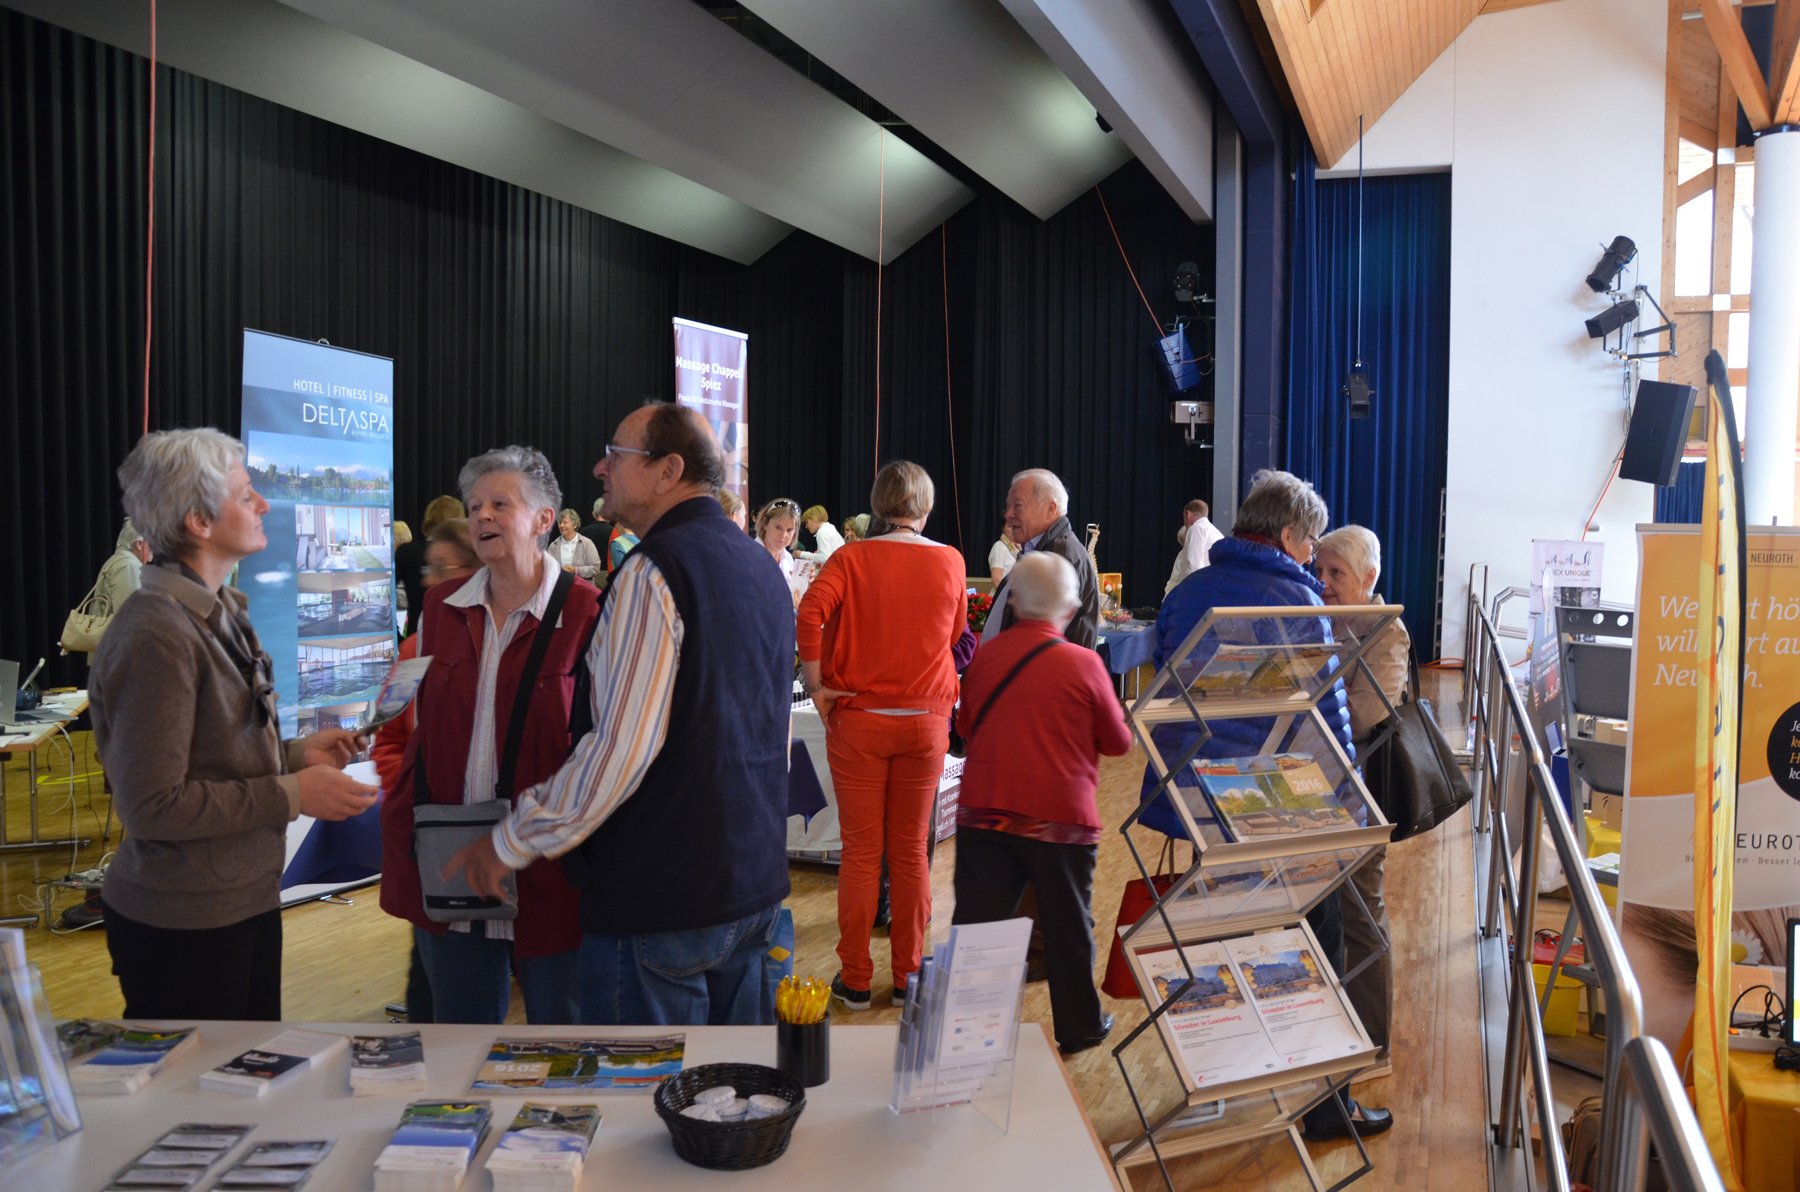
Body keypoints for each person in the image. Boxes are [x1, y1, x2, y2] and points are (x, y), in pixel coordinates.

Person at [442, 402, 794, 1027]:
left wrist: (509, 842)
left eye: (617, 455)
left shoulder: (655, 573)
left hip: (663, 900)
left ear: (668, 471)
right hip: (753, 888)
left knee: (643, 1088)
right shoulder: (758, 567)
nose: (600, 468)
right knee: (733, 1084)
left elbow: (620, 751)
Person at [90, 428, 376, 1020]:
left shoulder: (216, 609)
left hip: (238, 902)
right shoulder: (156, 635)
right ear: (198, 521)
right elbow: (152, 806)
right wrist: (294, 792)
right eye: (247, 495)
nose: (264, 505)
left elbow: (212, 754)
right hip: (184, 922)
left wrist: (295, 755)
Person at [1145, 468, 1392, 1139]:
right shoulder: (1297, 596)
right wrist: (1349, 809)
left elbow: (1168, 693)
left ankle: (1221, 1070)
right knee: (1319, 940)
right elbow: (1328, 720)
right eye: (1309, 543)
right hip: (1272, 804)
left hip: (1193, 799)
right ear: (1286, 535)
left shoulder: (1187, 593)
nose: (1312, 557)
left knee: (1219, 932)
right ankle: (1326, 1106)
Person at [380, 447, 601, 1025]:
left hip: (550, 868)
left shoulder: (588, 613)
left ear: (544, 519)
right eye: (475, 504)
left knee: (562, 1039)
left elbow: (600, 748)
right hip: (451, 858)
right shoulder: (440, 607)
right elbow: (421, 726)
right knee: (459, 1040)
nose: (482, 515)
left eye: (500, 504)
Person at [796, 461, 966, 1011]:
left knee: (862, 854)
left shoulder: (850, 558)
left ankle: (855, 979)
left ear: (877, 505)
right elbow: (956, 634)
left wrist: (816, 685)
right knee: (912, 853)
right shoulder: (950, 560)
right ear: (925, 508)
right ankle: (909, 977)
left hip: (860, 720)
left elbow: (810, 614)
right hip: (925, 721)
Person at [953, 553, 1131, 1052]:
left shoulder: (987, 657)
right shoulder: (1084, 663)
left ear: (1014, 601)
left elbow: (965, 726)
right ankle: (1079, 1027)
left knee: (978, 928)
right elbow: (1117, 743)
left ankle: (967, 1033)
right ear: (1070, 608)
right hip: (1060, 820)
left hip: (985, 812)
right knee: (1066, 926)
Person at [373, 517, 480, 1023]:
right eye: (428, 569)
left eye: (443, 568)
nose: (429, 580)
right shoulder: (414, 650)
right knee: (434, 987)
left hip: (509, 844)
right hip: (433, 844)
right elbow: (389, 737)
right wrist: (411, 796)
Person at [1315, 525, 1409, 1067]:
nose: (1324, 582)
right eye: (1320, 570)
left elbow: (1368, 714)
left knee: (1361, 916)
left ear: (1369, 577)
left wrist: (1308, 695)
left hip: (1360, 796)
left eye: (1337, 573)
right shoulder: (1320, 620)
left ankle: (1373, 1047)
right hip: (1315, 789)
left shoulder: (1386, 631)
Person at [982, 468, 1099, 649]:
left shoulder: (1059, 555)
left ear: (1050, 509)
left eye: (1018, 505)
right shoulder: (1038, 549)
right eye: (1008, 505)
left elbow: (1041, 641)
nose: (1008, 514)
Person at [398, 495, 466, 638]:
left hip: (420, 635)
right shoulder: (468, 555)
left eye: (441, 568)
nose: (428, 581)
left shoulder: (409, 552)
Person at [1164, 498, 1225, 595]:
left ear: (1188, 514)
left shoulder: (1197, 528)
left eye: (1184, 517)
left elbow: (1193, 565)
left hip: (1197, 592)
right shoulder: (1217, 534)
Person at [755, 497, 804, 606]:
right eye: (778, 527)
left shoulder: (788, 558)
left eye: (789, 530)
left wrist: (802, 587)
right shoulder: (749, 556)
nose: (783, 535)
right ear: (765, 523)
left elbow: (793, 600)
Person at [551, 508, 603, 580]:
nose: (561, 525)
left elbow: (596, 568)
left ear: (575, 525)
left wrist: (575, 570)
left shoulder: (587, 543)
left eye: (565, 522)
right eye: (560, 522)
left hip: (582, 586)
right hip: (561, 586)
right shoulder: (553, 545)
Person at [988, 521, 1021, 585]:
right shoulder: (999, 547)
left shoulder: (1019, 547)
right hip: (1005, 590)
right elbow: (996, 580)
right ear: (1003, 528)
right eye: (1009, 526)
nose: (1013, 529)